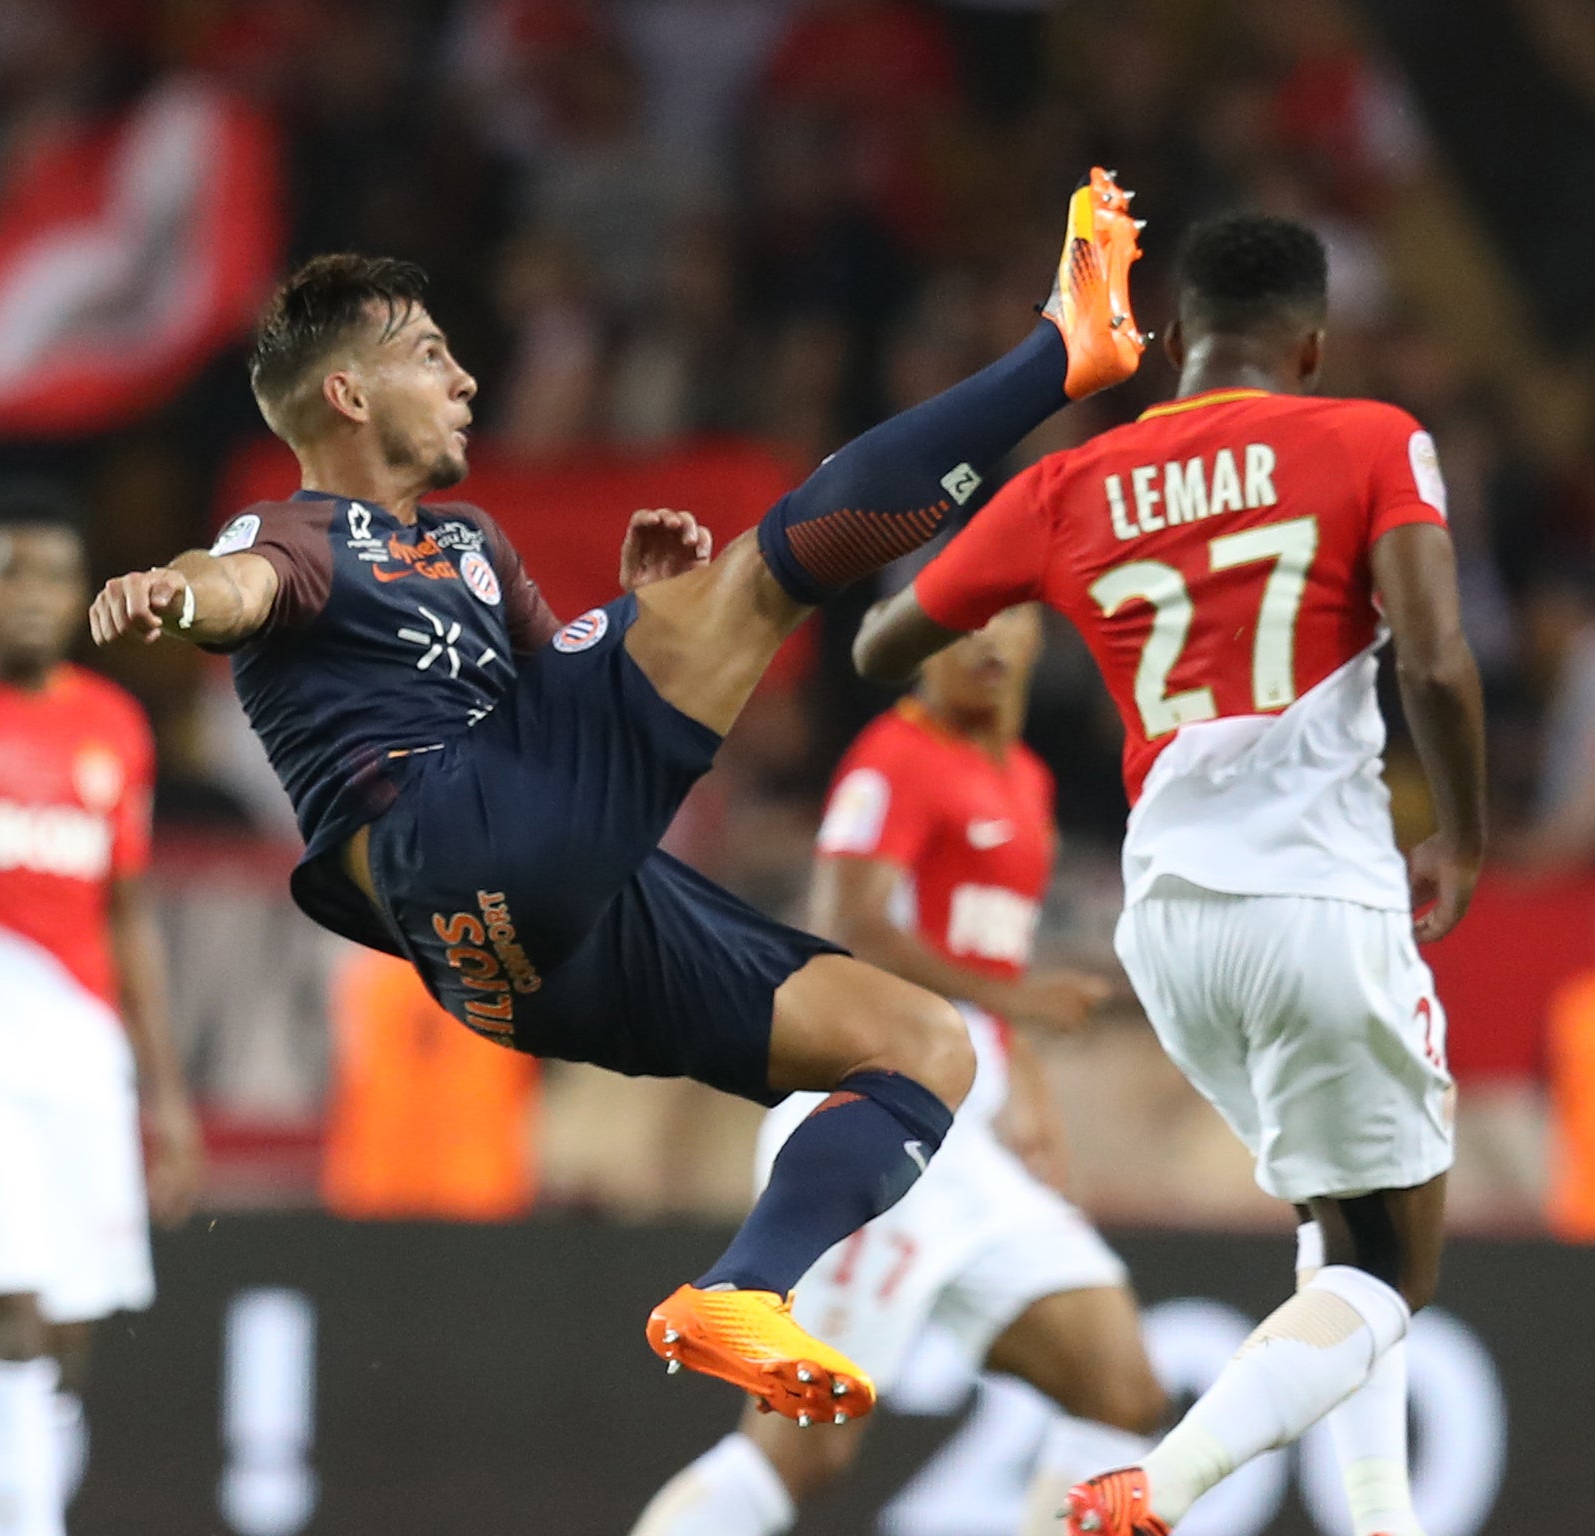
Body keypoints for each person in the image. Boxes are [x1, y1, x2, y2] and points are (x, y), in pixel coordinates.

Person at [89, 170, 1146, 1427]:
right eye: (432, 356)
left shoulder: (472, 544)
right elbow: (243, 587)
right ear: (349, 393)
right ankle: (1063, 354)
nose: (466, 380)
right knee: (769, 573)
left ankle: (740, 1291)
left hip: (524, 953)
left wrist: (649, 609)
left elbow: (558, 702)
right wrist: (176, 590)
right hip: (449, 842)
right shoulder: (304, 532)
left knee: (919, 1044)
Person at [855, 213, 1488, 1536]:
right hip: (1318, 898)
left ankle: (1385, 1526)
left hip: (1172, 930)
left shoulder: (1070, 484)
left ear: (1181, 342)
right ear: (1309, 344)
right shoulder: (1372, 438)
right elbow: (1434, 660)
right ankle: (1159, 1486)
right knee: (1393, 1269)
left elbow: (880, 641)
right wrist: (1468, 834)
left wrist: (1004, 521)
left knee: (1340, 1216)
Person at [632, 605, 1166, 1536]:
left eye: (1008, 622)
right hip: (886, 1127)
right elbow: (849, 925)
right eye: (961, 624)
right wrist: (1025, 1002)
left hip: (972, 1141)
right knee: (801, 1454)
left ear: (1042, 638)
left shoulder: (1026, 778)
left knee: (1120, 1388)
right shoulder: (894, 760)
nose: (988, 643)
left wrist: (1025, 1080)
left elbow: (983, 965)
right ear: (918, 645)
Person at [0, 484, 204, 1535]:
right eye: (9, 574)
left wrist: (163, 1098)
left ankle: (33, 1488)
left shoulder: (114, 729)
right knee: (17, 1292)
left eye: (50, 576)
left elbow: (128, 917)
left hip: (81, 1054)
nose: (29, 596)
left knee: (72, 1307)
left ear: (81, 595)